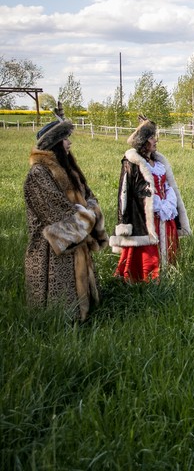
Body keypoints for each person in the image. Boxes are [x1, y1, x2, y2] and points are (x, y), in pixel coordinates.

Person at [24, 102, 108, 321]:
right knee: (59, 301)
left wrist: (88, 211)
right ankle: (55, 322)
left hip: (77, 242)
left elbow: (88, 196)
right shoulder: (38, 174)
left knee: (79, 294)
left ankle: (84, 315)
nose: (70, 143)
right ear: (55, 144)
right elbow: (56, 215)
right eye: (66, 139)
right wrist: (88, 215)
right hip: (51, 249)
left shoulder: (68, 169)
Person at [110, 116, 191, 282]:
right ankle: (145, 279)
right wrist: (153, 205)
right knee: (147, 257)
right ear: (143, 141)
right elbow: (125, 192)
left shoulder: (158, 161)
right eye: (152, 137)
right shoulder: (132, 162)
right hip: (145, 217)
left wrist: (169, 200)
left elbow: (167, 184)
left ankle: (167, 276)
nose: (156, 141)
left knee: (168, 249)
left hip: (164, 216)